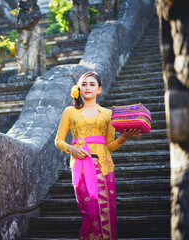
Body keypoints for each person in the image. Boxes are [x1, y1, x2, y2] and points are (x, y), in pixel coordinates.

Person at [55, 71, 141, 240]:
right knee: (91, 213)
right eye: (84, 84)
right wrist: (72, 149)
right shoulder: (70, 112)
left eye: (92, 84)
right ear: (78, 88)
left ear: (99, 89)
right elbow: (58, 141)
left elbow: (109, 145)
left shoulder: (107, 114)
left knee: (106, 213)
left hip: (104, 167)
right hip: (81, 167)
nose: (88, 87)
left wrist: (123, 138)